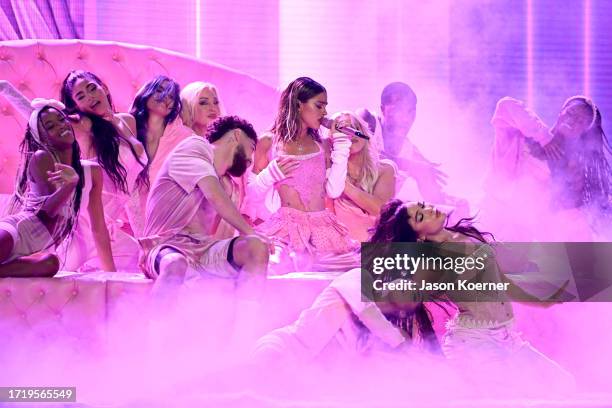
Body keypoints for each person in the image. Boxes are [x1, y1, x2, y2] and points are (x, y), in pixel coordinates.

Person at [373, 199, 574, 392]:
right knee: (512, 396)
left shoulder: (464, 235)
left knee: (564, 384)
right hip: (474, 343)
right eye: (420, 216)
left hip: (508, 338)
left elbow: (503, 283)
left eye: (423, 206)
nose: (429, 210)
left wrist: (541, 303)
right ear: (420, 238)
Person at [138, 115, 269, 292]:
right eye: (251, 148)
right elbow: (214, 196)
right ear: (237, 135)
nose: (250, 160)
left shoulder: (228, 185)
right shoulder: (195, 147)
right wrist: (251, 232)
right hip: (165, 246)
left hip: (204, 250)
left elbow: (219, 232)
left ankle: (247, 318)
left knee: (256, 247)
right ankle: (155, 321)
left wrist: (254, 239)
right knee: (175, 263)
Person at [251, 77, 359, 272]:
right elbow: (251, 197)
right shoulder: (269, 142)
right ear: (299, 105)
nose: (325, 112)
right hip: (286, 230)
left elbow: (333, 191)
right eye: (319, 106)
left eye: (325, 107)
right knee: (276, 267)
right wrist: (269, 174)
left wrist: (342, 145)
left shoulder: (322, 145)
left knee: (362, 270)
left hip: (322, 229)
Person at [0, 99, 115, 277]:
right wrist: (69, 186)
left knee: (51, 263)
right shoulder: (42, 157)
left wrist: (112, 275)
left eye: (62, 120)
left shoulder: (91, 171)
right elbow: (47, 212)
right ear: (41, 136)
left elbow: (98, 228)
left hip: (34, 252)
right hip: (15, 234)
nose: (61, 126)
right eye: (50, 126)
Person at [482, 95, 612, 241]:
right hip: (487, 226)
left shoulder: (568, 173)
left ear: (583, 132)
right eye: (570, 113)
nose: (573, 120)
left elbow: (572, 225)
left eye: (581, 121)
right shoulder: (520, 137)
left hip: (515, 244)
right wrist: (544, 137)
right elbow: (505, 106)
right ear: (561, 111)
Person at [60, 70, 147, 268]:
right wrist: (7, 90)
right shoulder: (84, 125)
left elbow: (130, 190)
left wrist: (142, 232)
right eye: (81, 96)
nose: (90, 96)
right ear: (76, 106)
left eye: (92, 88)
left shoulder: (127, 121)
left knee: (138, 262)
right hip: (87, 225)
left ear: (104, 88)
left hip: (111, 229)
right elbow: (44, 121)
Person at [356, 82, 448, 203]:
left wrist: (448, 207)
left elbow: (433, 194)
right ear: (383, 110)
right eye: (398, 110)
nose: (405, 118)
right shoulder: (367, 120)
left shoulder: (409, 151)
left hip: (375, 217)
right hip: (345, 208)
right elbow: (362, 152)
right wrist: (409, 165)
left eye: (410, 111)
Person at [327, 111, 396, 242]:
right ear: (333, 138)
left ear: (365, 134)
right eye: (342, 130)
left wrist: (341, 183)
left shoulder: (385, 169)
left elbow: (380, 210)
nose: (351, 133)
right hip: (344, 250)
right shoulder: (327, 172)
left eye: (355, 128)